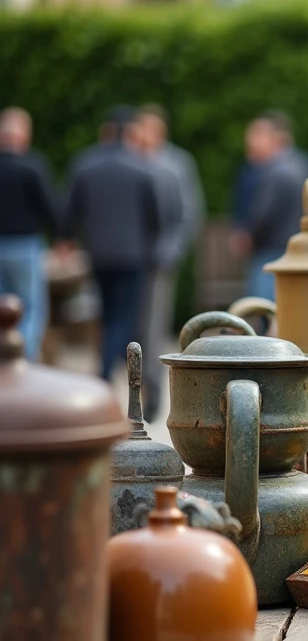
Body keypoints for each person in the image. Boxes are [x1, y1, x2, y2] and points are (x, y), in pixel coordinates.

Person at [63, 107, 161, 382]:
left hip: (98, 253)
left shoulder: (85, 164)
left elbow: (70, 211)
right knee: (124, 317)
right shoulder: (142, 168)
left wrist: (66, 239)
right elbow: (154, 218)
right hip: (132, 255)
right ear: (128, 133)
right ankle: (108, 371)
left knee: (107, 314)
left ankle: (111, 366)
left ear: (105, 132)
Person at [135, 104, 204, 421]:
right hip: (127, 259)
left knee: (152, 328)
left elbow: (190, 212)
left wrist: (171, 251)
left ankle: (152, 397)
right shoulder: (129, 160)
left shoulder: (177, 163)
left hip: (159, 260)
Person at [0, 107, 58, 360]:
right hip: (25, 246)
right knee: (31, 310)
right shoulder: (33, 166)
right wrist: (60, 239)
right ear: (24, 136)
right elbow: (50, 207)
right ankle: (24, 361)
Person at [236, 112, 308, 300]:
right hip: (295, 247)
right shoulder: (302, 164)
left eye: (256, 136)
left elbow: (263, 213)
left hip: (270, 250)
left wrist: (248, 235)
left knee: (264, 307)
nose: (251, 143)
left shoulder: (273, 171)